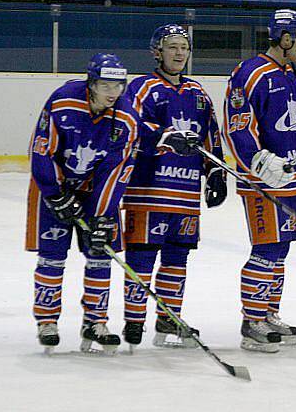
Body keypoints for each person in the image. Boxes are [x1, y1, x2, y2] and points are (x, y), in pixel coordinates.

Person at [120, 24, 226, 350]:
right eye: (173, 47)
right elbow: (131, 125)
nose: (179, 53)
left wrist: (216, 171)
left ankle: (169, 317)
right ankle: (134, 320)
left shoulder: (198, 93)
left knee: (177, 258)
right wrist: (164, 137)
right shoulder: (141, 88)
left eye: (184, 47)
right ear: (157, 52)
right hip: (149, 190)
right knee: (142, 257)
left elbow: (211, 135)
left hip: (185, 192)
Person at [26, 53, 138, 354]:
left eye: (118, 85)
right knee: (52, 256)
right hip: (55, 185)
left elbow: (117, 171)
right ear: (91, 83)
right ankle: (47, 321)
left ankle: (96, 321)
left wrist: (102, 216)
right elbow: (41, 150)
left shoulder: (127, 118)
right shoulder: (62, 100)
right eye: (105, 85)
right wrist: (55, 194)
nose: (112, 92)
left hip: (95, 192)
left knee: (101, 252)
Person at [223, 9, 296, 352]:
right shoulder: (250, 72)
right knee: (266, 247)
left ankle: (269, 312)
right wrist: (259, 159)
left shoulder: (290, 72)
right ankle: (252, 320)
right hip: (262, 180)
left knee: (283, 247)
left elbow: (292, 128)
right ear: (285, 38)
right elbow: (236, 125)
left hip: (289, 180)